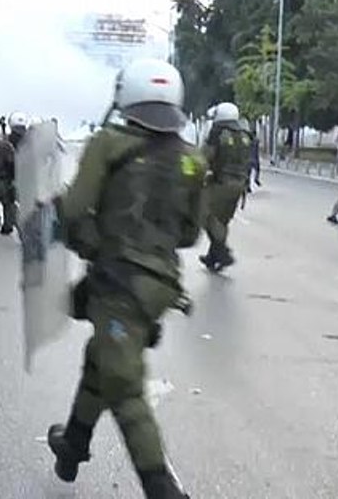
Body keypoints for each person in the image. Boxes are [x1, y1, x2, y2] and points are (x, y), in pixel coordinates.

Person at [46, 58, 203, 499]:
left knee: (125, 386)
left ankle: (163, 489)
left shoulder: (108, 144)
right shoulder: (193, 159)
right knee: (102, 357)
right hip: (161, 286)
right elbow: (190, 234)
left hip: (119, 285)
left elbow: (74, 209)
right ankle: (73, 444)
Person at [198, 102, 251, 273]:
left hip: (221, 182)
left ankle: (223, 251)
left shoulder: (218, 132)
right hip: (240, 183)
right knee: (223, 220)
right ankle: (213, 257)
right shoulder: (244, 134)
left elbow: (205, 157)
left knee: (205, 214)